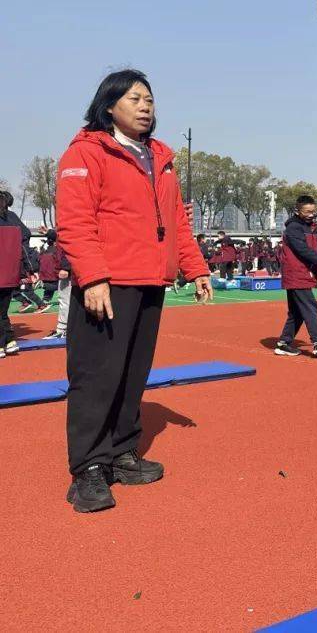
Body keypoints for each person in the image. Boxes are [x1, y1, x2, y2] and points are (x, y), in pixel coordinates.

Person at [56, 69, 213, 513]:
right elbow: (75, 221)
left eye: (150, 100)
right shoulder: (86, 152)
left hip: (150, 282)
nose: (146, 106)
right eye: (135, 99)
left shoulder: (158, 158)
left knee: (131, 373)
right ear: (110, 106)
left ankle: (122, 453)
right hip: (106, 283)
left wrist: (196, 268)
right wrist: (93, 276)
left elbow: (177, 222)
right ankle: (88, 467)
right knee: (96, 376)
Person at [274, 195, 317, 357]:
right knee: (311, 309)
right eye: (307, 212)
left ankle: (284, 343)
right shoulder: (294, 228)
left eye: (313, 211)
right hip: (297, 274)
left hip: (303, 273)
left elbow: (311, 247)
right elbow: (303, 251)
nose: (312, 214)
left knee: (296, 312)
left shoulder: (308, 227)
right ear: (297, 211)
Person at [0, 190, 36, 358]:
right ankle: (10, 341)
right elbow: (25, 241)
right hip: (11, 273)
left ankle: (3, 344)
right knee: (2, 311)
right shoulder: (13, 218)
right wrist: (30, 269)